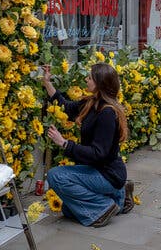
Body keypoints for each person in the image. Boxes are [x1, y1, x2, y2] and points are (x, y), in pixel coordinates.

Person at [42, 63, 133, 228]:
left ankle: (104, 207)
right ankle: (119, 197)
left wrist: (64, 144)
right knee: (69, 209)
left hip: (107, 174)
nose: (86, 79)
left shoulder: (107, 112)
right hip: (99, 170)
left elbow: (99, 153)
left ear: (99, 83)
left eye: (90, 77)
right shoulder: (92, 103)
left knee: (55, 176)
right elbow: (67, 107)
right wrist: (47, 82)